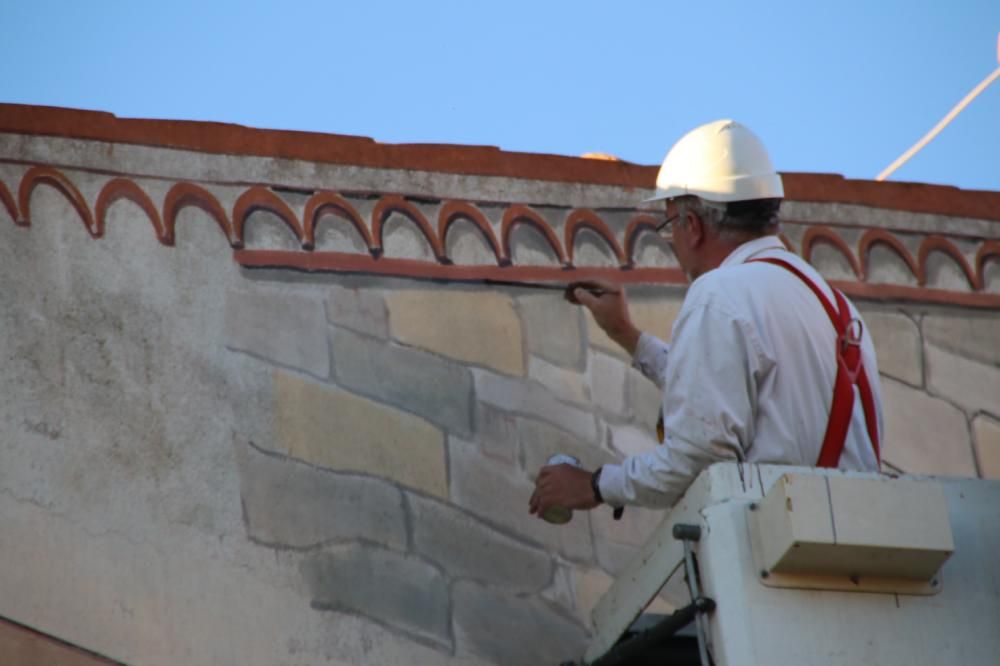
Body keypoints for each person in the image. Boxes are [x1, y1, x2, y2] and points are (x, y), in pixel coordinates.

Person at [529, 119, 883, 518]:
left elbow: (695, 460)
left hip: (778, 558)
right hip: (851, 545)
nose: (673, 246)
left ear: (692, 225)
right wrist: (627, 335)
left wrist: (593, 485)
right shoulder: (834, 306)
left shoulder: (718, 296)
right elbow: (731, 385)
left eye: (668, 228)